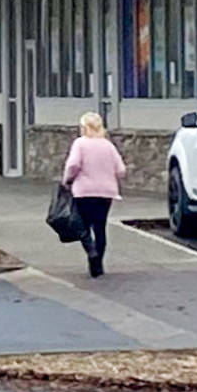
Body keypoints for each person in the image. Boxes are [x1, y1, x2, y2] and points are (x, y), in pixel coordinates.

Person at [59, 112, 123, 277]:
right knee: (100, 227)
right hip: (106, 192)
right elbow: (121, 169)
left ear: (84, 127)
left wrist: (67, 180)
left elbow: (73, 165)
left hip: (84, 192)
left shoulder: (80, 144)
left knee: (83, 226)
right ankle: (98, 264)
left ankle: (91, 251)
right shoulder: (108, 146)